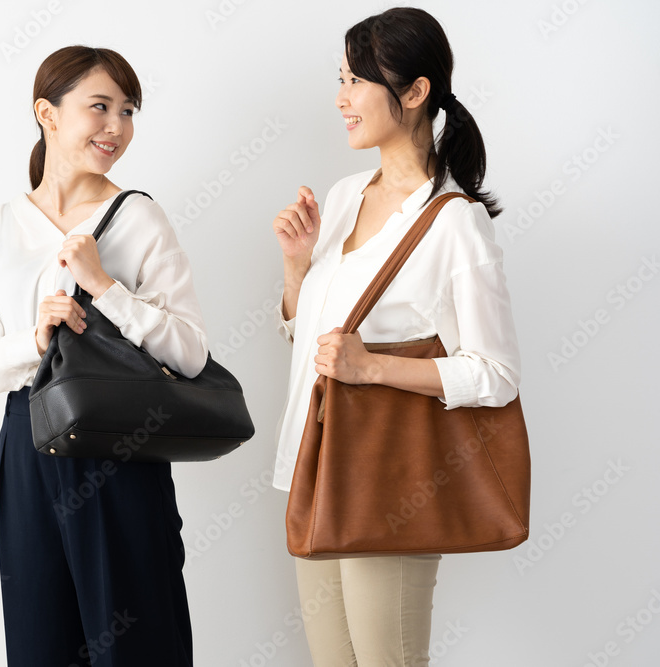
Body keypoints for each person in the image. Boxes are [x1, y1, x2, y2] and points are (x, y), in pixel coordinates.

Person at [270, 8, 522, 666]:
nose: (340, 97)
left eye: (356, 81)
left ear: (413, 93)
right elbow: (310, 343)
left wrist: (373, 369)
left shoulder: (455, 223)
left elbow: (495, 374)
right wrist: (298, 268)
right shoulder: (347, 195)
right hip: (314, 465)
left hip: (388, 477)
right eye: (341, 79)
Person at [0, 45, 206, 667]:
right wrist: (33, 342)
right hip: (28, 441)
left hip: (119, 442)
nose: (116, 127)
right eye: (100, 107)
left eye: (127, 110)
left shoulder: (139, 218)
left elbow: (192, 353)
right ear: (48, 112)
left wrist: (106, 289)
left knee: (138, 641)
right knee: (40, 638)